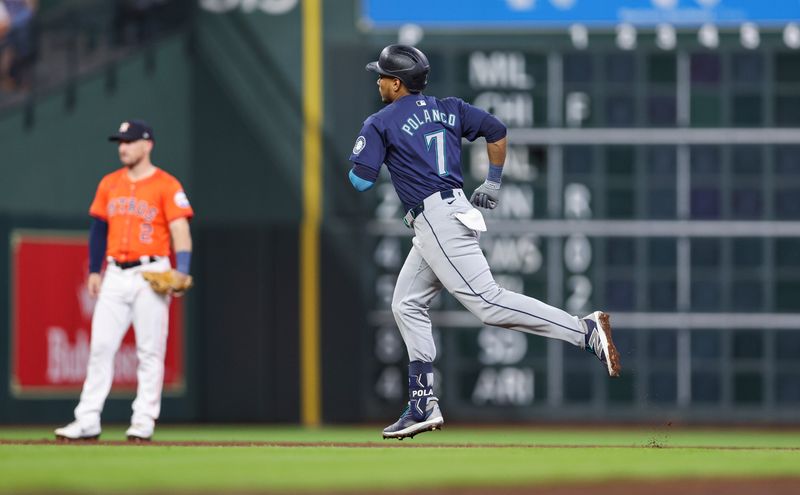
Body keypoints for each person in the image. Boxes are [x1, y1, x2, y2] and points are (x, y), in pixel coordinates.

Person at [348, 45, 621, 440]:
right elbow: (496, 130)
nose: (378, 80)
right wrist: (492, 181)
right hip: (446, 214)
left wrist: (367, 146)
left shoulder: (381, 121)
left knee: (488, 303)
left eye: (383, 75)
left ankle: (583, 330)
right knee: (406, 303)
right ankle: (423, 403)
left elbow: (360, 180)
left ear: (396, 83)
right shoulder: (449, 107)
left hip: (437, 220)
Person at [55, 119, 194, 442]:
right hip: (115, 273)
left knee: (150, 352)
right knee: (101, 347)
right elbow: (98, 228)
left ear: (147, 145)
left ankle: (143, 421)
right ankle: (87, 419)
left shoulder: (167, 185)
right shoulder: (109, 184)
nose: (123, 147)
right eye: (120, 141)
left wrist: (182, 269)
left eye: (129, 141)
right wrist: (94, 269)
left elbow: (180, 230)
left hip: (152, 272)